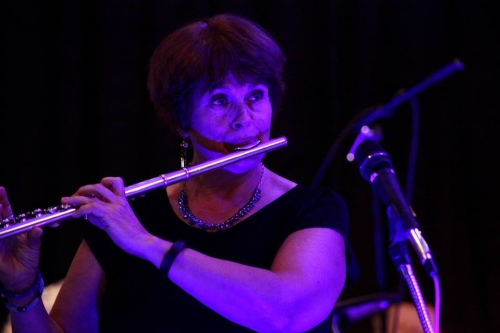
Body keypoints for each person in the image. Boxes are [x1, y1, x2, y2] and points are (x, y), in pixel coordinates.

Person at [0, 13, 355, 332]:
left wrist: (147, 244)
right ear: (182, 120)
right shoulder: (128, 216)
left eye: (255, 96)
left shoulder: (313, 211)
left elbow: (285, 314)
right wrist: (21, 288)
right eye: (219, 100)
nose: (244, 118)